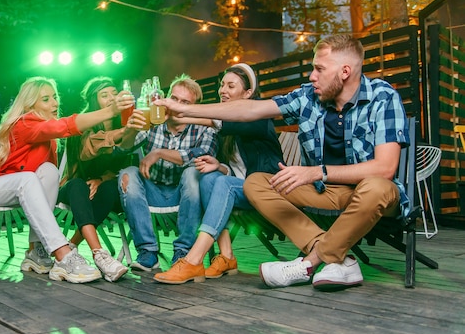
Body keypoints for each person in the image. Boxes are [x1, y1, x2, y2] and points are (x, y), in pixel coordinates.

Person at [154, 34, 409, 290]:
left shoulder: (382, 97)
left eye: (319, 69)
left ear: (345, 71)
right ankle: (335, 255)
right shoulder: (308, 97)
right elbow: (250, 110)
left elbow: (385, 168)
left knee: (376, 186)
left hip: (370, 194)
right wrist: (184, 111)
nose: (312, 76)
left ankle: (308, 263)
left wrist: (315, 172)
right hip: (325, 192)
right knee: (255, 183)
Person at [0, 76, 133, 284]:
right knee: (27, 179)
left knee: (50, 171)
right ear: (30, 104)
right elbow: (66, 126)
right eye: (46, 99)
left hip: (11, 193)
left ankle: (36, 250)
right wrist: (111, 111)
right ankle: (64, 254)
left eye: (55, 97)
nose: (55, 103)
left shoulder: (45, 136)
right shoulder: (24, 123)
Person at [153, 64, 283, 284]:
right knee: (209, 176)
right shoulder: (226, 131)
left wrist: (178, 114)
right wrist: (219, 166)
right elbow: (236, 170)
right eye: (222, 84)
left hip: (268, 187)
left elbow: (216, 121)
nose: (223, 90)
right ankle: (227, 256)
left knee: (222, 184)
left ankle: (193, 260)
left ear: (248, 93)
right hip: (241, 188)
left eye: (231, 86)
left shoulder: (257, 116)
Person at [118, 74, 218, 271]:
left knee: (193, 174)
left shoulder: (203, 127)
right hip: (152, 190)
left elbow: (202, 155)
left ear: (194, 106)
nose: (176, 105)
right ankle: (148, 251)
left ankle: (184, 251)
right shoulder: (153, 119)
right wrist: (130, 129)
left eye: (185, 102)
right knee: (127, 173)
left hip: (186, 195)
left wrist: (159, 153)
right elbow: (124, 148)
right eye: (174, 99)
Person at [58, 76, 134, 282]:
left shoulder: (126, 122)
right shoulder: (83, 124)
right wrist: (124, 132)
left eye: (113, 93)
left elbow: (125, 163)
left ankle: (72, 245)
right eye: (104, 95)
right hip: (74, 186)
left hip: (103, 188)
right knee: (78, 185)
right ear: (94, 100)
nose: (111, 98)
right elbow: (87, 151)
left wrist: (101, 178)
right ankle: (99, 253)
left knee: (110, 187)